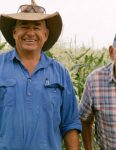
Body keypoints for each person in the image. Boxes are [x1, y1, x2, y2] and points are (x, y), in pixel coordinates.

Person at [0, 0, 82, 149]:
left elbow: (70, 124)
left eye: (36, 27)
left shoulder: (60, 73)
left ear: (45, 34)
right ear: (14, 32)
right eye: (24, 26)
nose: (30, 33)